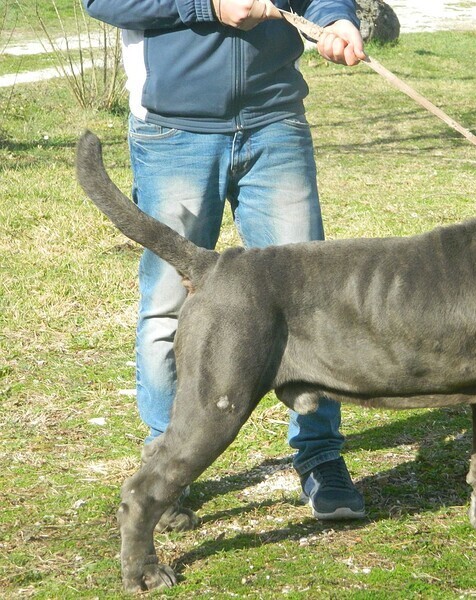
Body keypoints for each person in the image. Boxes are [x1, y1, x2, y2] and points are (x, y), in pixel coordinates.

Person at [83, 0, 367, 521]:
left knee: (314, 305)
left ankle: (321, 456)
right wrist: (207, 5)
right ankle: (166, 460)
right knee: (169, 309)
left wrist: (336, 18)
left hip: (275, 122)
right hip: (173, 132)